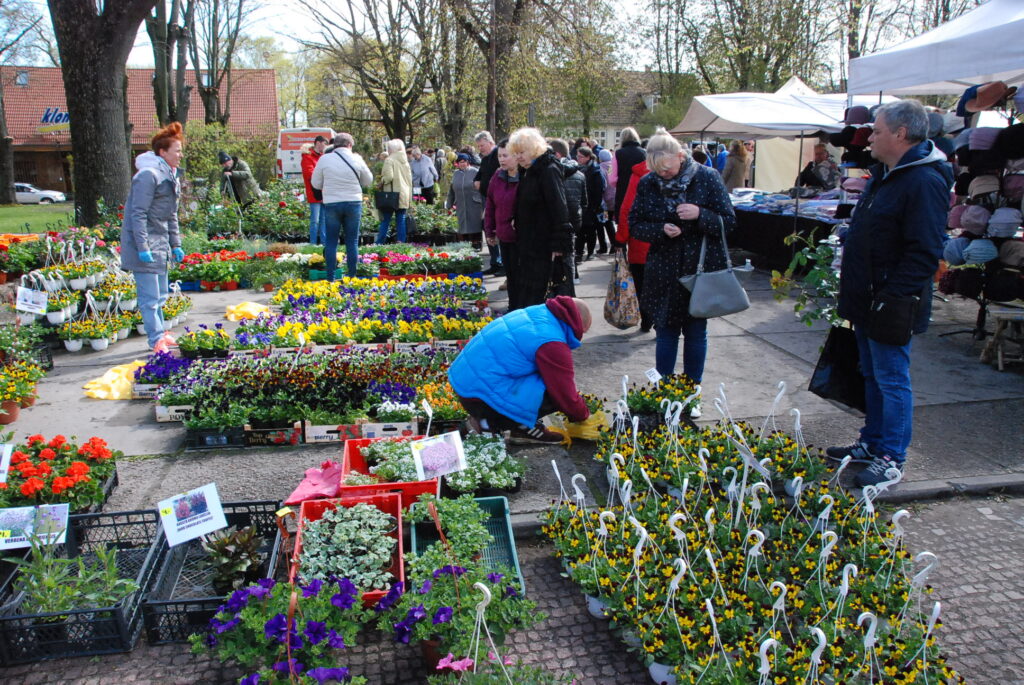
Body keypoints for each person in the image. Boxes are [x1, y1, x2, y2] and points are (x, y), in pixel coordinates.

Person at [827, 100, 952, 488]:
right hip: (867, 297)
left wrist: (890, 295)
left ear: (900, 134)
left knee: (891, 378)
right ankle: (873, 442)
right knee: (871, 374)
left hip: (891, 302)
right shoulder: (887, 175)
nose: (870, 138)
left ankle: (891, 456)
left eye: (877, 131)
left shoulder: (923, 180)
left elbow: (926, 249)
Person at [628, 128, 737, 419]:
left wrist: (701, 214)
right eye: (658, 171)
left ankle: (691, 395)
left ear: (681, 156)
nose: (664, 175)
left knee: (695, 332)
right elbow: (635, 223)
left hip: (699, 269)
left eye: (668, 169)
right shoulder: (649, 182)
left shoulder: (707, 177)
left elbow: (730, 222)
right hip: (663, 268)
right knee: (665, 332)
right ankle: (664, 394)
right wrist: (660, 230)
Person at [448, 295, 592, 443]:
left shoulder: (539, 312)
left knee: (544, 376)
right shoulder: (552, 342)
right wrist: (583, 416)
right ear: (577, 325)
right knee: (554, 393)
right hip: (479, 397)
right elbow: (564, 393)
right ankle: (488, 423)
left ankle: (521, 426)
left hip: (465, 382)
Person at [122, 122, 185, 350]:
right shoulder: (148, 176)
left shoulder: (169, 175)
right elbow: (137, 213)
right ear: (162, 152)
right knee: (149, 299)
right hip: (146, 244)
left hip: (160, 245)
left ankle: (161, 333)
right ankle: (155, 340)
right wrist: (142, 246)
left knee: (160, 295)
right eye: (176, 150)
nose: (180, 155)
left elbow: (170, 215)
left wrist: (175, 244)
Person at [509, 127, 573, 308]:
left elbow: (559, 209)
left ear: (534, 149)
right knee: (530, 292)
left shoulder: (548, 170)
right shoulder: (529, 170)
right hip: (530, 243)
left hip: (543, 245)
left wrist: (559, 245)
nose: (519, 157)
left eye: (522, 152)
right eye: (516, 153)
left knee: (542, 293)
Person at [311, 133, 373, 281]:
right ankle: (352, 277)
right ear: (350, 145)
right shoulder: (356, 158)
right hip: (353, 202)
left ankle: (330, 277)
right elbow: (368, 180)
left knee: (331, 241)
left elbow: (315, 183)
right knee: (352, 241)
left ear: (334, 145)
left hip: (332, 203)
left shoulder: (324, 159)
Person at [614, 158, 654, 332]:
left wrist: (621, 238)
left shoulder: (638, 175)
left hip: (640, 241)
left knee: (642, 283)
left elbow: (627, 209)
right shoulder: (679, 173)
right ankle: (660, 321)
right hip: (667, 242)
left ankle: (647, 319)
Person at [484, 139, 521, 306]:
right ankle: (513, 307)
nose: (502, 159)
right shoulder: (497, 176)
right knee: (512, 276)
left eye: (506, 155)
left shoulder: (526, 177)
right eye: (499, 156)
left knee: (523, 278)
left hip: (523, 238)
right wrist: (490, 231)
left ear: (517, 155)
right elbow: (490, 204)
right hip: (504, 235)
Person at [549, 139, 587, 277]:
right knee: (572, 246)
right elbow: (584, 201)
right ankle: (573, 273)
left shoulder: (553, 172)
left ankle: (565, 277)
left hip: (562, 217)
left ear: (557, 154)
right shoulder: (580, 174)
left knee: (561, 252)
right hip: (576, 216)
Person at [474, 131, 503, 276]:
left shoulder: (498, 155)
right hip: (487, 198)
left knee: (498, 229)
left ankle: (502, 262)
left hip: (498, 198)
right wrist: (477, 181)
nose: (480, 148)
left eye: (482, 145)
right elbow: (479, 174)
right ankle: (495, 261)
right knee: (488, 227)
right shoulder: (485, 159)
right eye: (478, 146)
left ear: (490, 142)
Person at [376, 138, 413, 244]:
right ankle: (401, 242)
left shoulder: (389, 160)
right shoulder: (405, 161)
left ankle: (379, 242)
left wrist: (381, 182)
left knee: (386, 219)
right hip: (403, 193)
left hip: (391, 194)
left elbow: (388, 177)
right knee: (400, 219)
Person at [445, 153, 484, 243]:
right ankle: (465, 245)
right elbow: (451, 190)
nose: (462, 164)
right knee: (463, 225)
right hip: (460, 203)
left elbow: (482, 188)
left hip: (474, 204)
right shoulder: (456, 174)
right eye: (460, 162)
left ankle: (477, 244)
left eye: (464, 162)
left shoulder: (475, 172)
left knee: (475, 225)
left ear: (468, 162)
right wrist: (449, 205)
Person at [576, 146, 607, 257]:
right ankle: (579, 252)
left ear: (588, 157)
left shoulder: (595, 170)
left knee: (590, 230)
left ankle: (590, 251)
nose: (578, 158)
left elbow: (599, 190)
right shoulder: (577, 168)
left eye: (581, 156)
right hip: (581, 204)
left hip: (591, 205)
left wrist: (595, 206)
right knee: (580, 230)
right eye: (577, 156)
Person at [613, 127, 646, 220]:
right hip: (640, 190)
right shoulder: (644, 153)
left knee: (624, 221)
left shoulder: (618, 153)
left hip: (623, 190)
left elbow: (612, 178)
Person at [301, 135, 328, 245]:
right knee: (315, 220)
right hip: (314, 192)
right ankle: (312, 243)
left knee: (323, 220)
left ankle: (324, 243)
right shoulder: (307, 157)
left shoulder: (322, 156)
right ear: (318, 143)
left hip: (323, 192)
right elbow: (309, 174)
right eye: (324, 144)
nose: (325, 147)